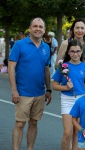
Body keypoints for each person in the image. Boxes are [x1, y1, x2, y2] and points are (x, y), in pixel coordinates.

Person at [8, 17, 52, 150]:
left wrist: (49, 89)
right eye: (35, 26)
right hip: (23, 92)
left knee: (33, 123)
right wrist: (14, 90)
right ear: (30, 28)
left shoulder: (46, 47)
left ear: (44, 30)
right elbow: (11, 68)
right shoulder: (19, 45)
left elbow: (46, 69)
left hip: (39, 93)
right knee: (20, 124)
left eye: (40, 27)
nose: (38, 29)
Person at [52, 39, 85, 150]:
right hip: (67, 100)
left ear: (81, 52)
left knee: (77, 132)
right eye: (72, 51)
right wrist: (65, 87)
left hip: (81, 100)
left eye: (78, 51)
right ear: (68, 52)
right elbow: (54, 85)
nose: (75, 54)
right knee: (67, 133)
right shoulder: (64, 67)